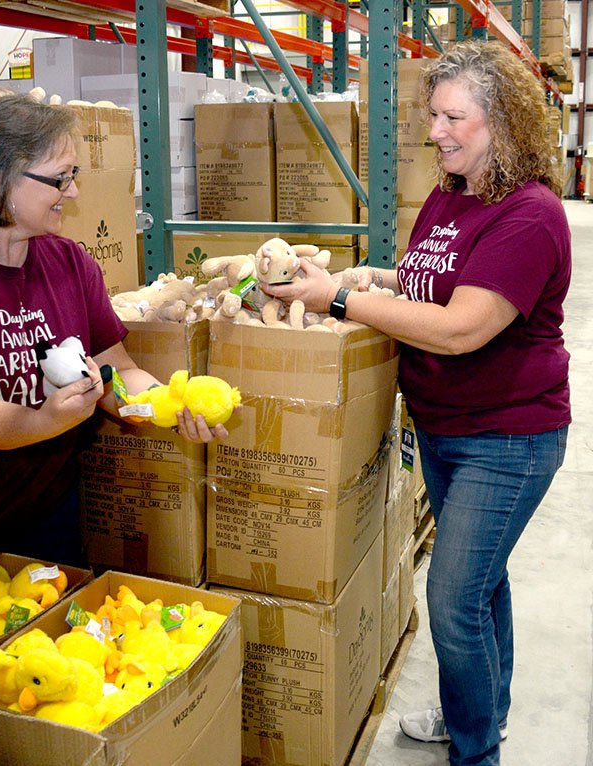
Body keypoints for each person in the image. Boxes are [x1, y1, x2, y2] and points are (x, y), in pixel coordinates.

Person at [263, 40, 571, 766]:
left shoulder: (530, 216)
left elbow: (462, 327)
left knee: (453, 600)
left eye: (452, 117)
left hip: (507, 439)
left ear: (502, 121)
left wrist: (337, 300)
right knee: (481, 586)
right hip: (442, 427)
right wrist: (374, 274)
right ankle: (481, 717)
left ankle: (475, 754)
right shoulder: (453, 192)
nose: (435, 131)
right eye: (433, 114)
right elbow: (432, 277)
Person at [0, 94, 230, 567]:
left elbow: (118, 374)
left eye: (74, 177)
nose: (73, 193)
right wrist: (42, 421)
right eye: (60, 178)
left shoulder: (70, 263)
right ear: (1, 177)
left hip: (49, 510)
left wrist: (171, 405)